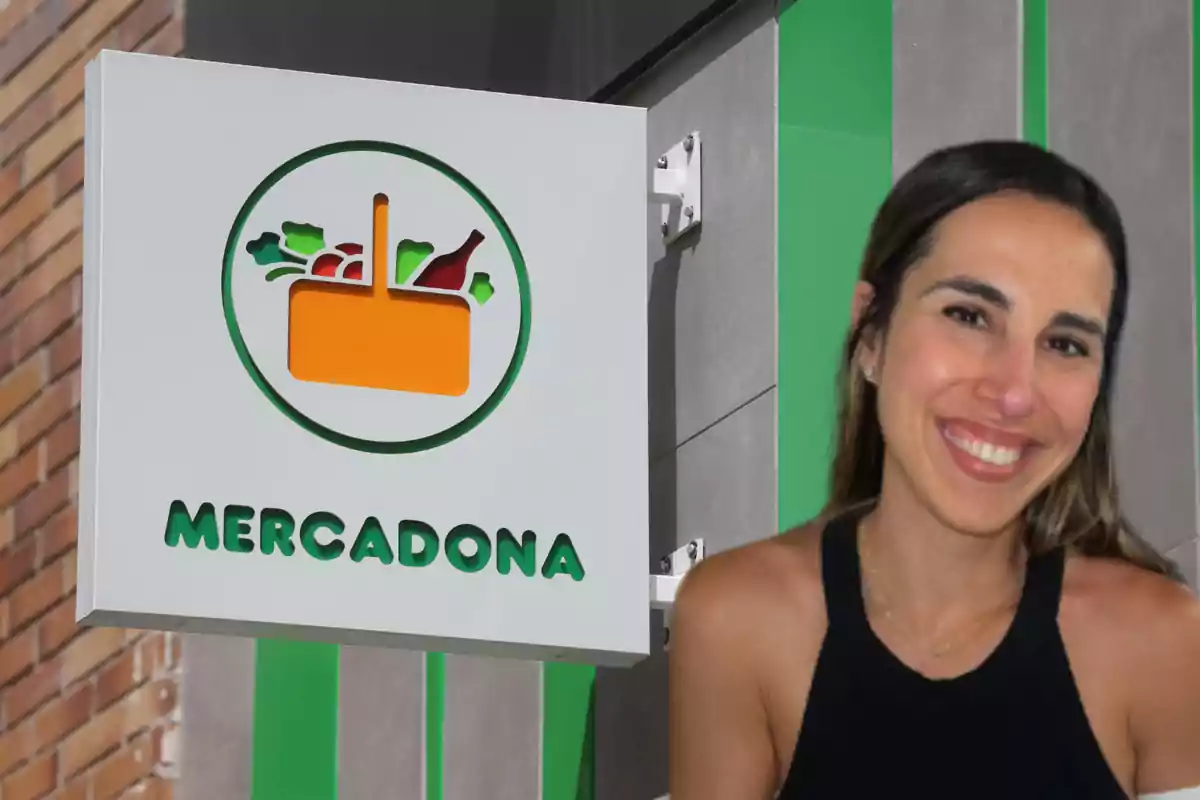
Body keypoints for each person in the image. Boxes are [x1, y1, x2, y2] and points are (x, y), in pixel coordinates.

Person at [668, 140, 1200, 800]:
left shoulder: (1160, 645)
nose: (1015, 392)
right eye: (969, 316)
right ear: (871, 332)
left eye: (1065, 345)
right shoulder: (741, 620)